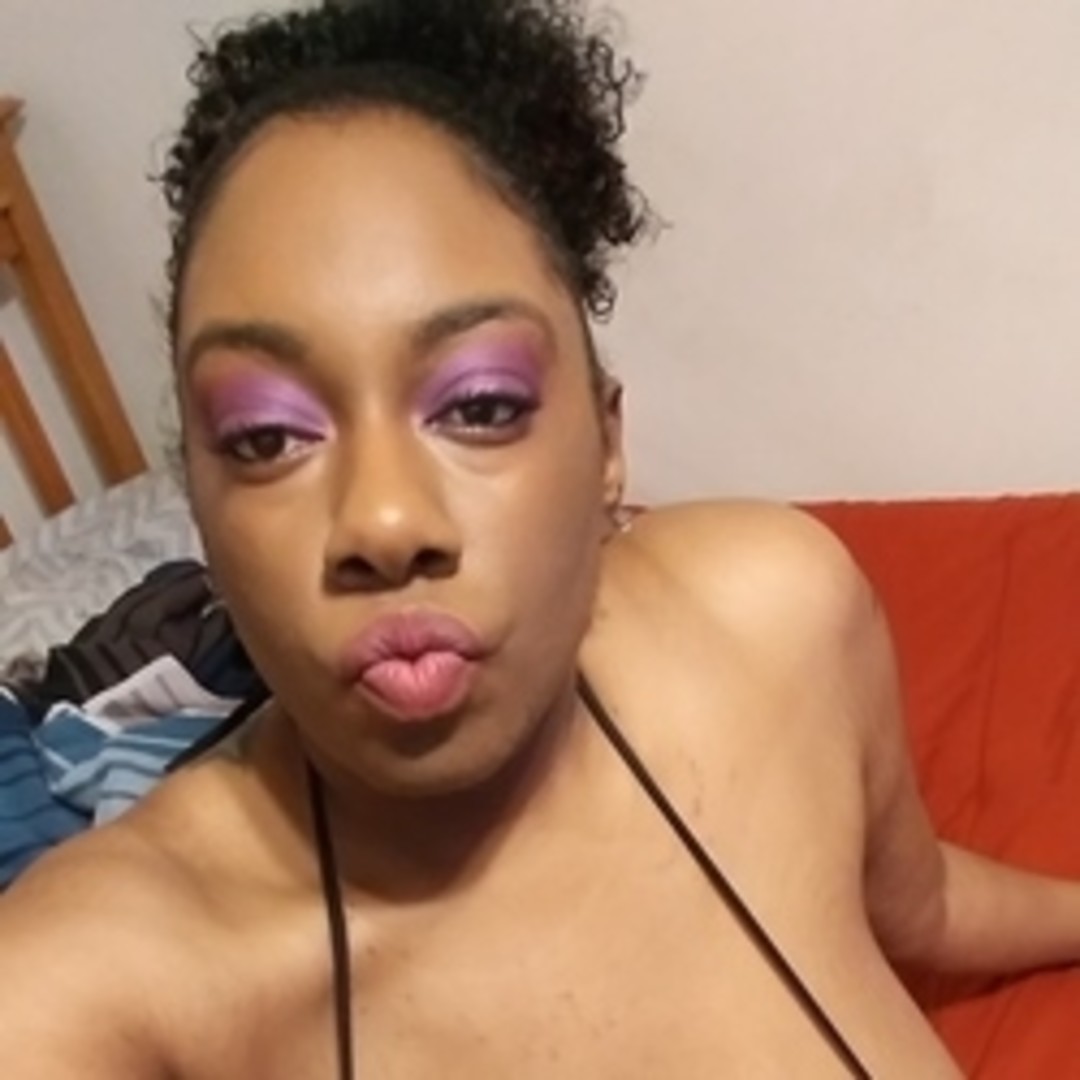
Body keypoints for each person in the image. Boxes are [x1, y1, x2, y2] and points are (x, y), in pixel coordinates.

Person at [2, 1, 1080, 1076]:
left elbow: (923, 904)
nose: (384, 521)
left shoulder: (773, 611)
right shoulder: (110, 981)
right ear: (198, 502)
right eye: (266, 436)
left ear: (608, 443)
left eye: (480, 405)